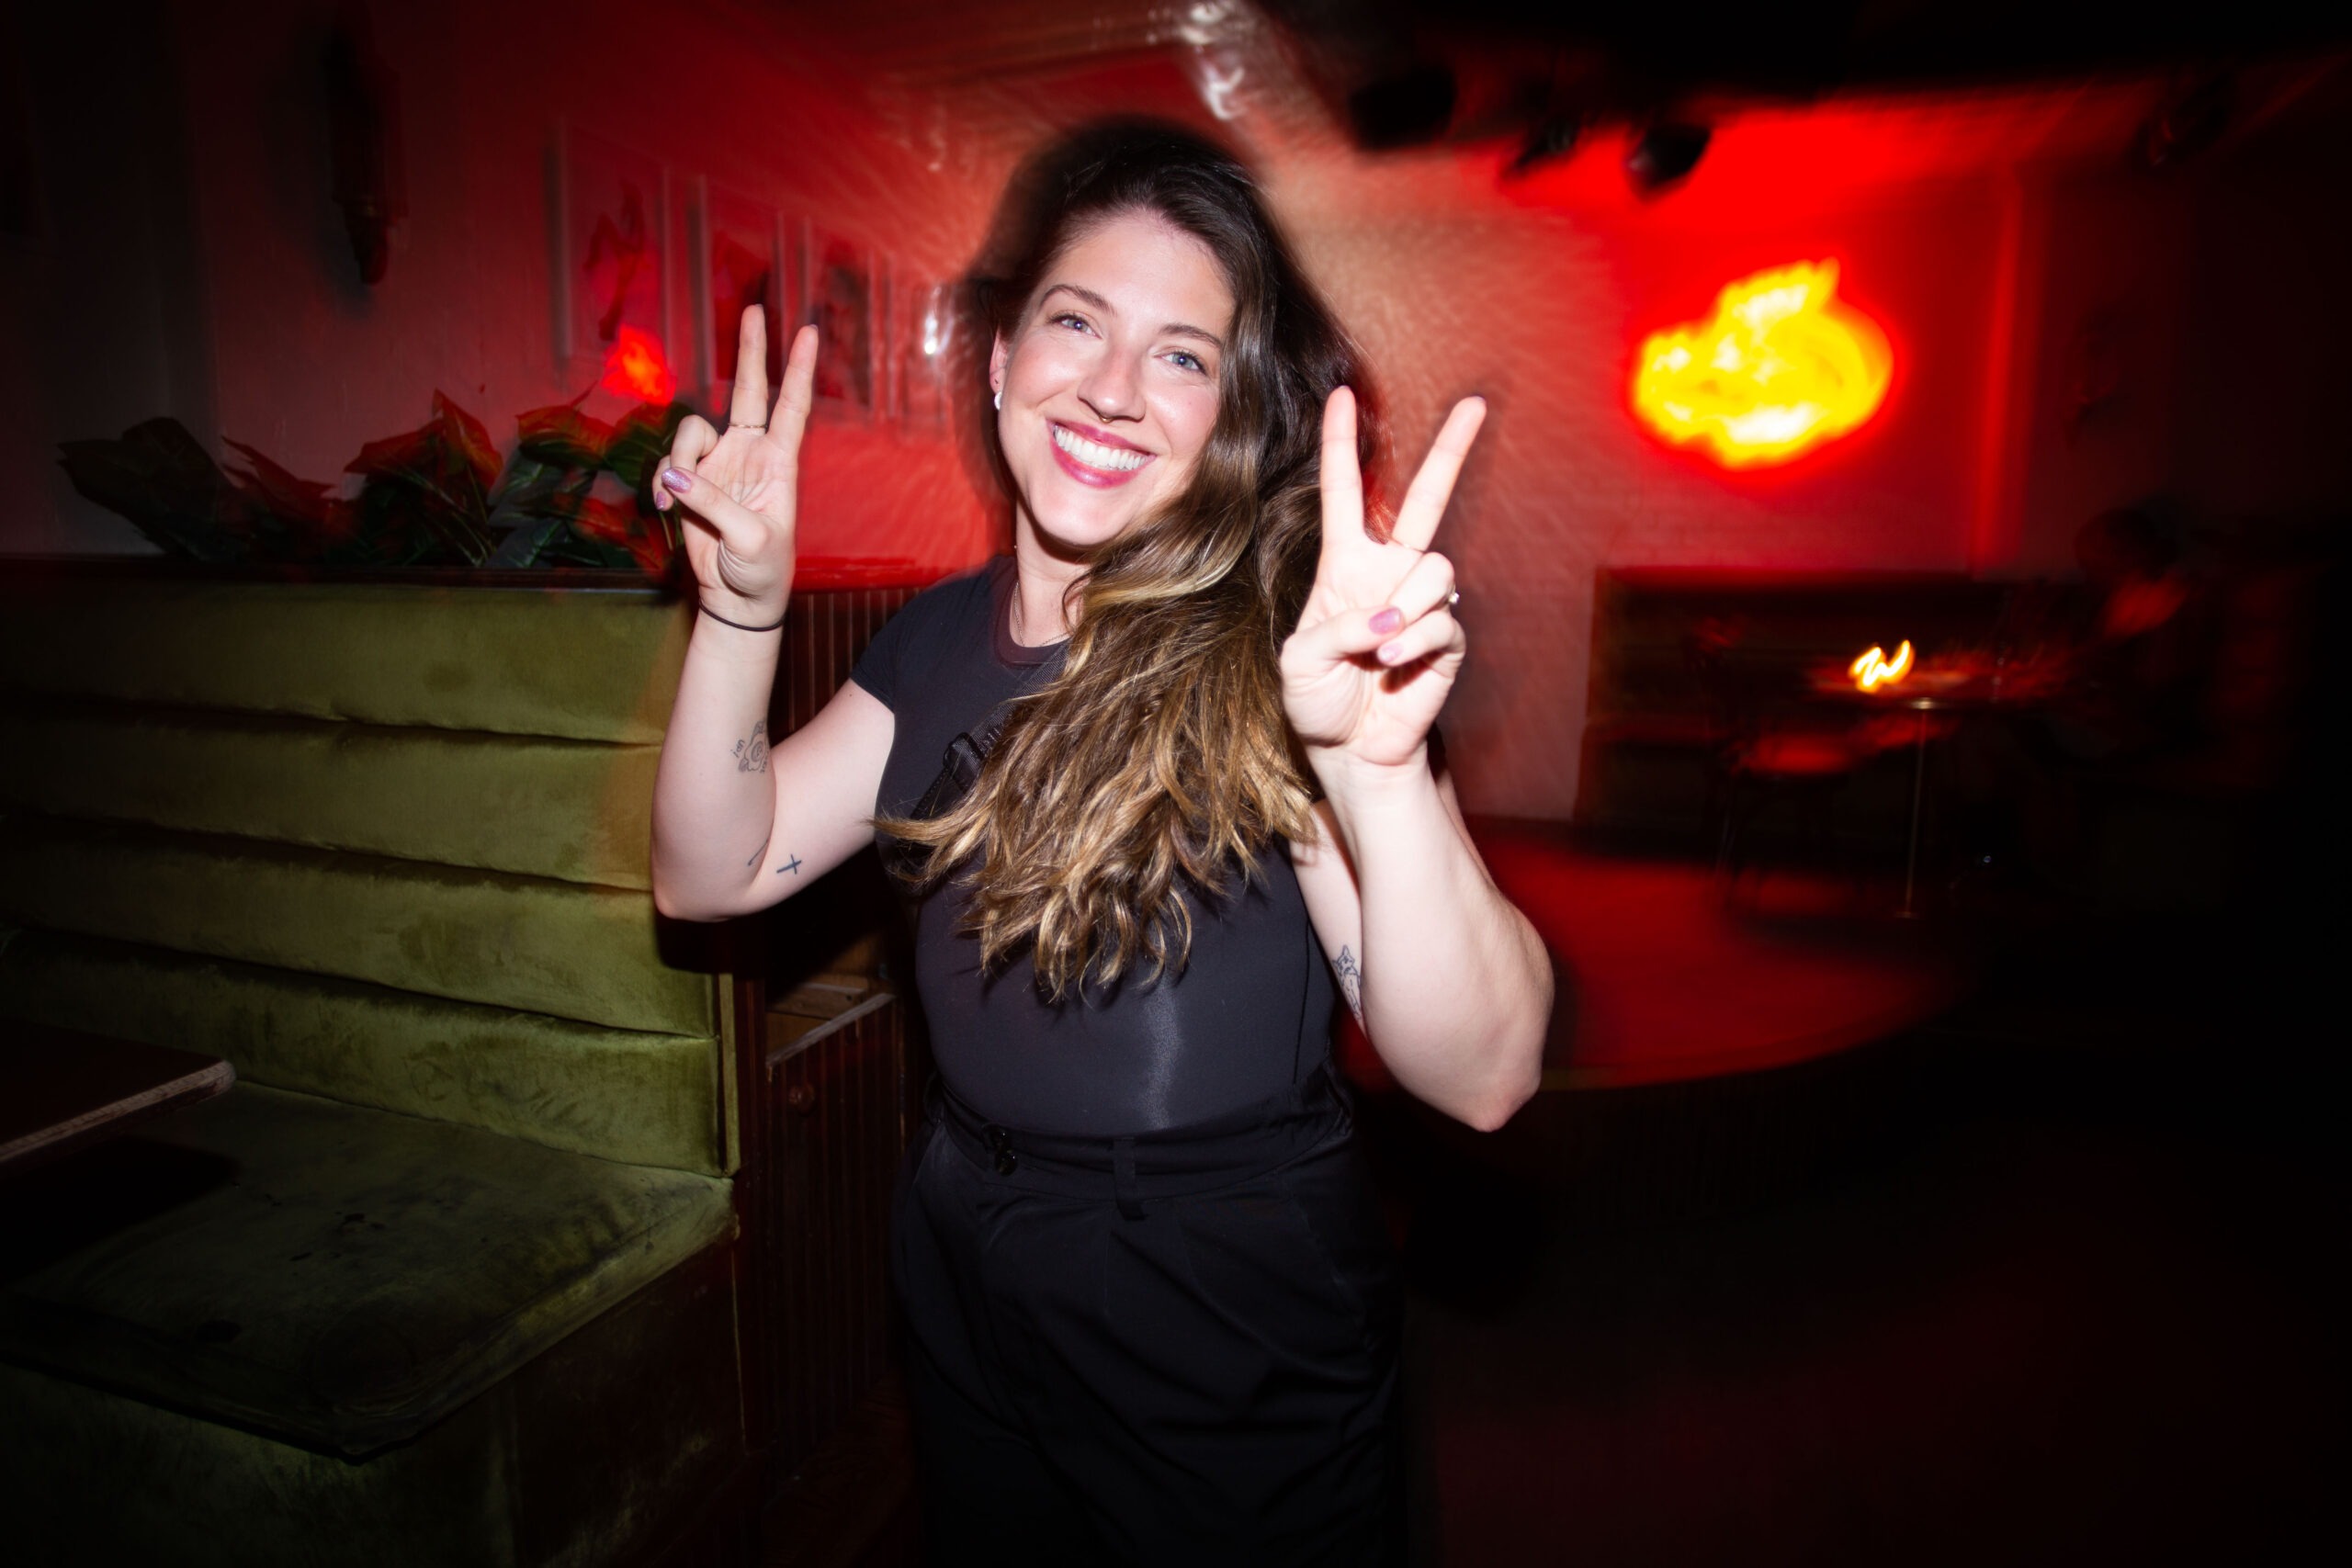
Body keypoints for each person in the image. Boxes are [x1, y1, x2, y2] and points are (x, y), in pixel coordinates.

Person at [648, 123, 1551, 1564]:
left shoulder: (1286, 654)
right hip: (963, 1239)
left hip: (1219, 1300)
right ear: (1002, 359)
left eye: (1183, 356)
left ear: (1226, 417)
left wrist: (1378, 775)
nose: (1115, 389)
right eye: (1078, 323)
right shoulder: (929, 641)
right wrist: (743, 615)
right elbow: (711, 874)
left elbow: (1486, 1078)